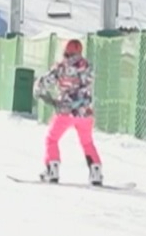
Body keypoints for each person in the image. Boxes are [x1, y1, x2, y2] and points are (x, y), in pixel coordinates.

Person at [38, 39, 102, 185]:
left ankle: (52, 169)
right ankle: (96, 171)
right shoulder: (87, 66)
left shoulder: (61, 67)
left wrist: (38, 87)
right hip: (85, 112)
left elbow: (47, 81)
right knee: (87, 142)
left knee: (52, 139)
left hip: (65, 111)